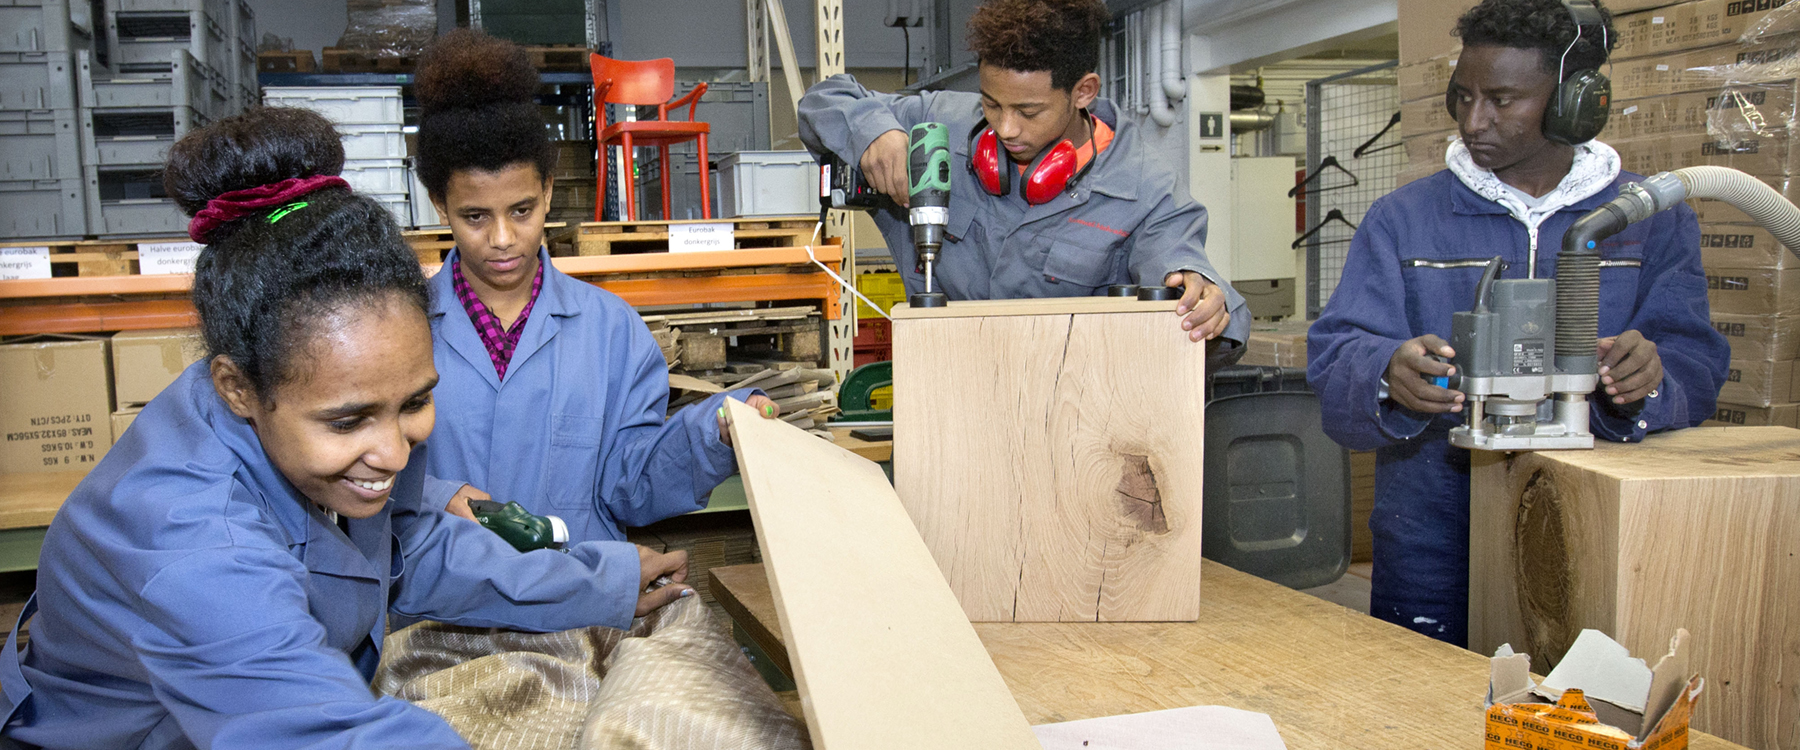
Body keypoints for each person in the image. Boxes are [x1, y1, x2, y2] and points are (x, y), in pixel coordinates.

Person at [0, 107, 696, 748]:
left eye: (415, 403)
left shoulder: (305, 403)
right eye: (348, 421)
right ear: (237, 387)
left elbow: (408, 547)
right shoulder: (191, 541)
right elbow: (327, 735)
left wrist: (597, 581)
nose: (393, 453)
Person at [1306, 0, 1728, 645]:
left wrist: (1651, 378)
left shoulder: (1649, 216)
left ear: (1575, 103)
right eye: (1464, 96)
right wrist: (1386, 373)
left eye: (1503, 100)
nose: (1475, 121)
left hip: (1593, 533)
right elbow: (1337, 352)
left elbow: (1695, 361)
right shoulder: (1403, 219)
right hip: (1430, 538)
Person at [411, 30, 774, 543]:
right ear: (439, 205)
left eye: (522, 210)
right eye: (474, 216)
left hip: (577, 595)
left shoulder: (610, 331)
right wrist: (433, 497)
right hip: (442, 603)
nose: (502, 238)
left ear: (548, 191)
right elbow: (365, 470)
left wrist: (712, 434)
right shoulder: (404, 328)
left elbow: (632, 484)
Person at [798, 0, 1249, 358]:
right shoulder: (934, 128)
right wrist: (875, 133)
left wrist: (1202, 292)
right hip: (944, 396)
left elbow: (1180, 262)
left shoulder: (1144, 187)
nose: (1006, 128)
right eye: (992, 104)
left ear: (1083, 91)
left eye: (1028, 111)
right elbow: (824, 100)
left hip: (1071, 421)